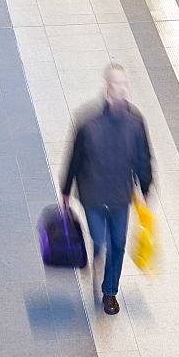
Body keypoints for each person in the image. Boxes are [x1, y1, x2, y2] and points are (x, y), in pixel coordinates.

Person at [61, 64, 153, 315]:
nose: (123, 88)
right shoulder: (88, 123)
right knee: (100, 239)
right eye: (118, 84)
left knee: (118, 245)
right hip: (93, 195)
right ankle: (96, 252)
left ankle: (109, 292)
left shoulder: (135, 122)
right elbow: (75, 157)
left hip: (121, 196)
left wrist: (146, 185)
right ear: (108, 88)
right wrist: (65, 189)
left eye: (126, 83)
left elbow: (143, 157)